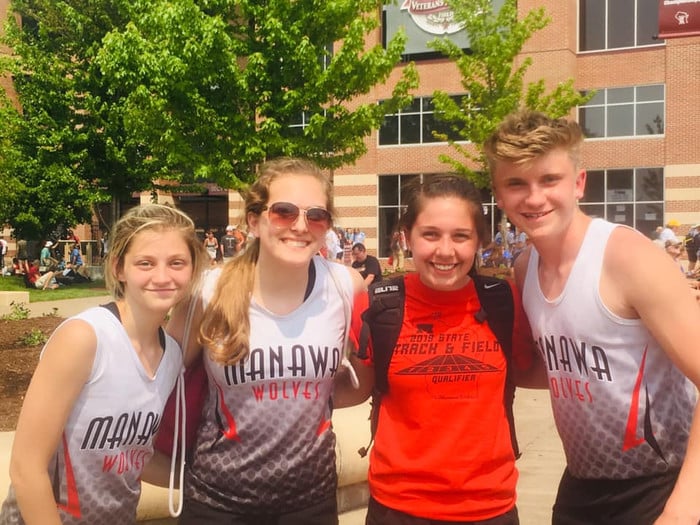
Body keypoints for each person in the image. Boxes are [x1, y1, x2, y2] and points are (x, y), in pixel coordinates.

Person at [485, 109, 700, 525]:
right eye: (516, 183)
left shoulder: (627, 258)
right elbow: (557, 370)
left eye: (549, 180)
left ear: (578, 183)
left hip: (662, 484)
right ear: (498, 194)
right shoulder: (525, 268)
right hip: (582, 488)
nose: (534, 198)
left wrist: (685, 506)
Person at [166, 157, 370, 524]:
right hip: (217, 504)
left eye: (317, 215)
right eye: (284, 212)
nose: (301, 226)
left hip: (311, 504)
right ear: (255, 221)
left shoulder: (344, 287)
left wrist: (297, 394)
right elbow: (158, 380)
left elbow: (361, 383)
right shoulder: (208, 293)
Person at [0, 203, 207, 525]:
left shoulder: (171, 357)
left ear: (193, 269)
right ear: (119, 268)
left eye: (177, 263)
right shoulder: (85, 338)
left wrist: (212, 480)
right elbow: (27, 468)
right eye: (145, 263)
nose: (162, 276)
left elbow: (132, 455)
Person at [358, 174, 537, 525]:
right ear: (407, 237)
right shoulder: (381, 306)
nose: (445, 250)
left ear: (479, 241)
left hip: (489, 508)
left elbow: (542, 370)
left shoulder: (505, 302)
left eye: (460, 236)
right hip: (398, 508)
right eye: (430, 234)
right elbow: (354, 385)